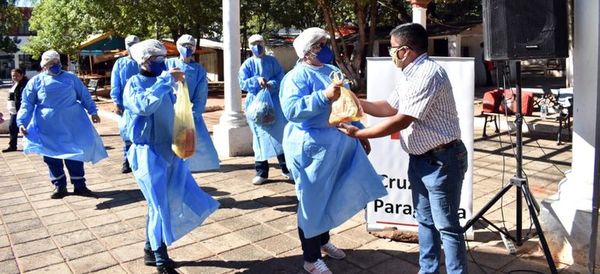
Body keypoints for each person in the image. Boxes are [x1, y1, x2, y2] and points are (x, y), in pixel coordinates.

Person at [338, 23, 468, 274]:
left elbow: (402, 119)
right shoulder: (409, 74)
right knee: (425, 221)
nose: (390, 52)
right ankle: (427, 270)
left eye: (392, 48)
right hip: (421, 160)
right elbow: (388, 106)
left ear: (405, 50)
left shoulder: (429, 73)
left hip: (443, 160)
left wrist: (360, 133)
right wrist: (352, 100)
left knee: (447, 226)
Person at [280, 27, 387, 274]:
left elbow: (348, 105)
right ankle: (310, 258)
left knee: (331, 195)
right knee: (312, 201)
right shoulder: (295, 77)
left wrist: (359, 132)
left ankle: (323, 240)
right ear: (307, 52)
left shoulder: (332, 72)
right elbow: (292, 111)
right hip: (311, 149)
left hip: (338, 144)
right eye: (320, 45)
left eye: (327, 43)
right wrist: (322, 96)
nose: (326, 49)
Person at [123, 39, 219, 274]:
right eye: (156, 58)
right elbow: (144, 107)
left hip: (170, 150)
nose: (161, 62)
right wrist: (166, 81)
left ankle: (150, 248)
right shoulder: (134, 84)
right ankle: (160, 258)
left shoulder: (164, 82)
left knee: (166, 201)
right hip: (147, 153)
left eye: (162, 57)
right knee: (158, 205)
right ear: (144, 60)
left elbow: (175, 111)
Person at [17, 50, 108, 199]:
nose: (55, 66)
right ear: (44, 66)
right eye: (51, 63)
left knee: (75, 154)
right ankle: (59, 186)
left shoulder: (71, 78)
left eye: (57, 62)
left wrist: (93, 111)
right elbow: (27, 103)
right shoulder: (36, 81)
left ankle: (80, 186)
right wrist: (22, 122)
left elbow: (83, 94)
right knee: (51, 156)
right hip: (48, 126)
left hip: (73, 123)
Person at [239, 34, 289, 185]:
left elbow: (281, 77)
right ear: (249, 46)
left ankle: (286, 169)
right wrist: (256, 81)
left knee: (279, 135)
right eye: (254, 43)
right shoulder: (247, 64)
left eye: (260, 43)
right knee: (259, 138)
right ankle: (262, 172)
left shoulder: (272, 61)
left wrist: (271, 84)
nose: (258, 46)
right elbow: (242, 83)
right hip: (255, 104)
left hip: (273, 102)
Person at [166, 34, 220, 172]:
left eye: (190, 46)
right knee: (169, 145)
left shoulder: (199, 70)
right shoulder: (169, 64)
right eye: (184, 46)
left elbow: (201, 94)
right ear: (178, 47)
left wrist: (194, 113)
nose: (187, 49)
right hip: (169, 111)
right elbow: (161, 83)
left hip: (189, 113)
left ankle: (188, 171)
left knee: (193, 145)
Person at [111, 34, 140, 173]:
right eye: (130, 44)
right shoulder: (120, 63)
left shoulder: (144, 61)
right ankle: (127, 160)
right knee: (127, 133)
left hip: (142, 104)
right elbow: (115, 83)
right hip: (126, 105)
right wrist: (116, 102)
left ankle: (141, 161)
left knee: (143, 133)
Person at [3, 68, 28, 152]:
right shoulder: (15, 84)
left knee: (14, 126)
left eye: (17, 75)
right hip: (13, 109)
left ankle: (15, 146)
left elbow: (24, 98)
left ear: (22, 75)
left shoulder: (24, 85)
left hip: (20, 110)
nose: (15, 77)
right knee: (13, 127)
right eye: (13, 76)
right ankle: (13, 146)